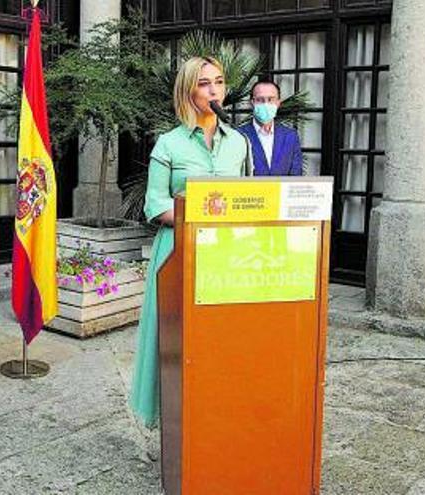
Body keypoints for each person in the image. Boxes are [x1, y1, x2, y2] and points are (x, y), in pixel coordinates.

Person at [129, 57, 249, 427]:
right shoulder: (169, 144)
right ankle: (170, 418)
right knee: (175, 339)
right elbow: (155, 204)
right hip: (178, 249)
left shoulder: (240, 143)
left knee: (220, 337)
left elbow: (248, 197)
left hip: (226, 254)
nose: (214, 90)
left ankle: (215, 415)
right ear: (188, 91)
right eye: (203, 83)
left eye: (219, 81)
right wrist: (199, 215)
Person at [237, 80, 303, 176]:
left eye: (271, 99)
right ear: (252, 103)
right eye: (260, 100)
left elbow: (296, 176)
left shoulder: (290, 136)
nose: (265, 104)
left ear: (278, 103)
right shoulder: (239, 135)